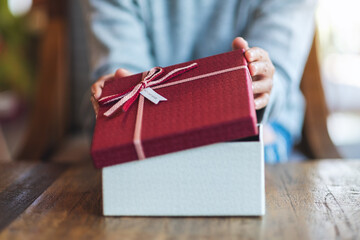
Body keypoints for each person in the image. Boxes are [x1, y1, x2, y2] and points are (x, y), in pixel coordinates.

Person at [87, 0, 317, 163]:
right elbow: (122, 67)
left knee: (253, 144)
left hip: (262, 121)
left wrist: (262, 86)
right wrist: (117, 89)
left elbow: (277, 73)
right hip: (149, 123)